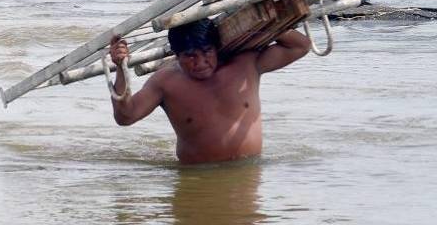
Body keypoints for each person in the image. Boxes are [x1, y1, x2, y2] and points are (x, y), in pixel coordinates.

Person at [108, 18, 311, 164]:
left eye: (206, 52)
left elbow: (299, 47)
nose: (201, 63)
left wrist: (266, 22)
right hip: (196, 182)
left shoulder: (245, 64)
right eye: (190, 56)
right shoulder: (165, 82)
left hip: (248, 176)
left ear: (216, 48)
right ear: (177, 56)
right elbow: (125, 116)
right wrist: (120, 66)